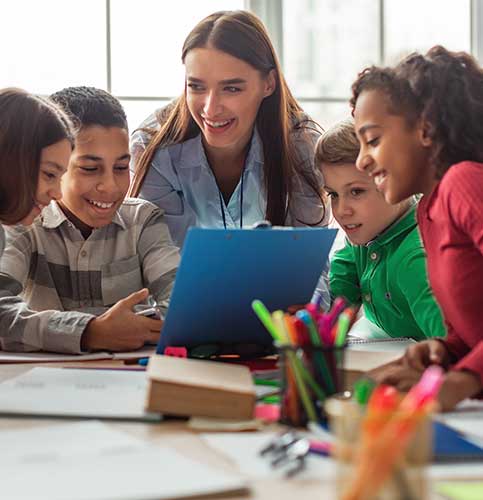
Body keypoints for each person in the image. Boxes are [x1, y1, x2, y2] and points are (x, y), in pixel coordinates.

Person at [351, 45, 483, 410]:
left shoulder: (464, 183)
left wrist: (462, 381)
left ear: (425, 128)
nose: (362, 161)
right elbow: (472, 333)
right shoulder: (428, 211)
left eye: (373, 139)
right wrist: (444, 352)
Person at [0, 86, 180, 354]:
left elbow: (183, 306)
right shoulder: (23, 221)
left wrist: (119, 327)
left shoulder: (143, 220)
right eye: (89, 169)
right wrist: (91, 331)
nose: (110, 186)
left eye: (121, 168)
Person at [129, 10, 327, 247]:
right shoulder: (153, 148)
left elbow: (308, 263)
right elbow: (166, 263)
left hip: (281, 284)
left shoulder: (301, 147)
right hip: (190, 284)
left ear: (268, 84)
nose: (211, 109)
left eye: (231, 89)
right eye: (196, 87)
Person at [317, 118, 445, 340]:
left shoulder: (415, 260)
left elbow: (452, 346)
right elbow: (342, 285)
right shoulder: (367, 236)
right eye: (333, 194)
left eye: (356, 191)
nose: (341, 210)